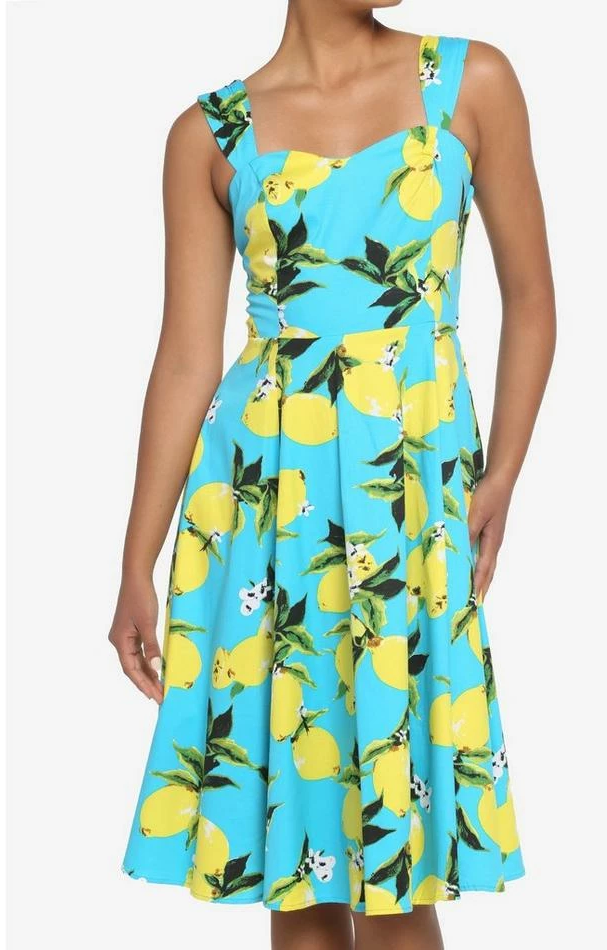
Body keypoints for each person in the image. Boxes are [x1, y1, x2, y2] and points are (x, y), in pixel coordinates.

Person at [110, 2, 555, 948]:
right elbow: (186, 360)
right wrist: (135, 561)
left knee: (400, 869)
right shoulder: (209, 134)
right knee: (300, 867)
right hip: (269, 512)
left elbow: (533, 298)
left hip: (411, 501)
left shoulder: (468, 82)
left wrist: (501, 477)